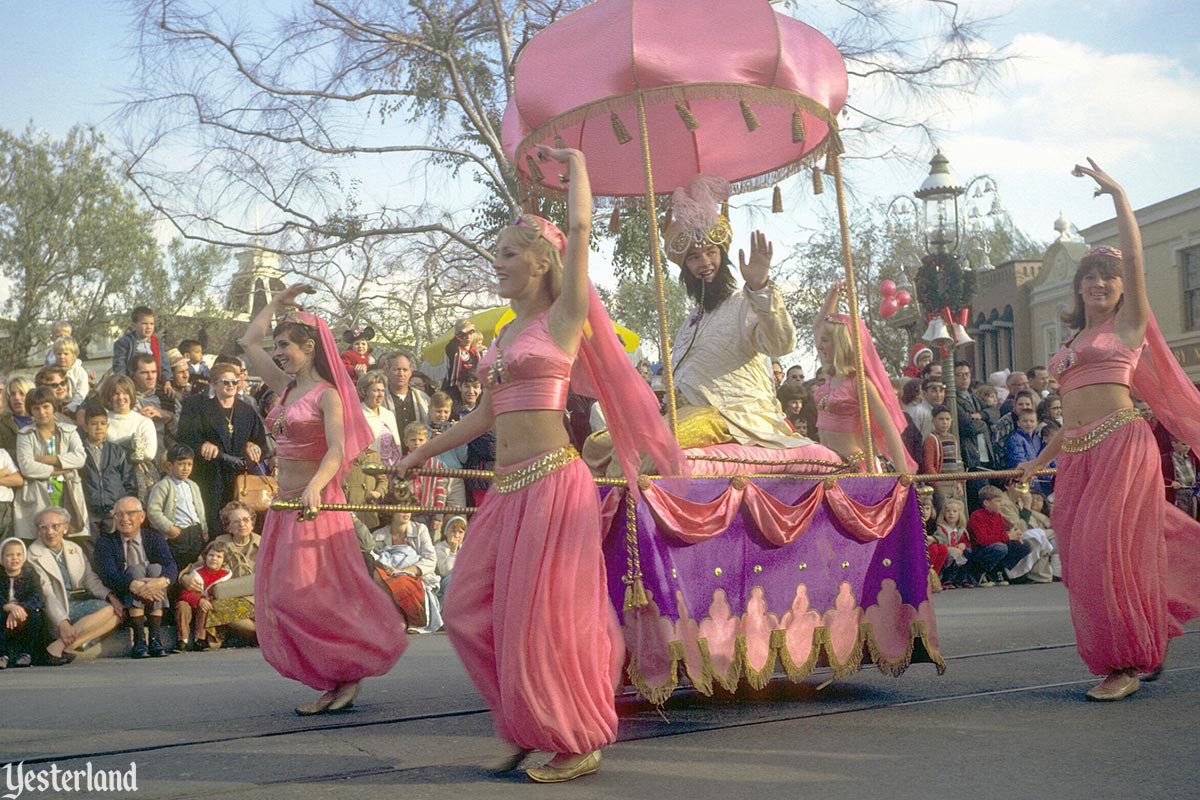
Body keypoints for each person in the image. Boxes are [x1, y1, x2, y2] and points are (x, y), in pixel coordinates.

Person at [397, 146, 683, 783]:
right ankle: (530, 721)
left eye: (506, 252)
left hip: (555, 483)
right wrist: (418, 453)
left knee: (545, 621)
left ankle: (574, 735)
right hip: (506, 489)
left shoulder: (562, 318)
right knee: (467, 606)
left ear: (542, 261)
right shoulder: (501, 335)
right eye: (495, 252)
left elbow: (581, 226)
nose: (495, 262)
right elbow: (482, 418)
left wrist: (580, 161)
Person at [1018, 159, 1200, 702]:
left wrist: (1120, 194)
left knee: (1108, 553)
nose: (1098, 283)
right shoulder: (1072, 343)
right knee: (1080, 560)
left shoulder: (1129, 324)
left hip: (1123, 445)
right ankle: (1145, 638)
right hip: (1076, 455)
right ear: (1078, 290)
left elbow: (1137, 257)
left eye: (1108, 277)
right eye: (1089, 278)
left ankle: (1126, 662)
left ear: (1123, 289)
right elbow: (1069, 410)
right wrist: (1039, 459)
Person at [238, 282, 406, 716]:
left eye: (285, 346)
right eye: (277, 346)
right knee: (280, 595)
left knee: (307, 594)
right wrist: (276, 304)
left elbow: (337, 449)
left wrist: (316, 485)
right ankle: (337, 677)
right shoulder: (285, 388)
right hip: (286, 504)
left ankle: (351, 668)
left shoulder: (328, 394)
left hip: (316, 504)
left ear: (310, 347)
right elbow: (247, 341)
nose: (277, 353)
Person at [662, 174, 813, 449]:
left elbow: (782, 343)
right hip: (690, 417)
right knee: (605, 443)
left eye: (711, 252)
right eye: (694, 257)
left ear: (724, 256)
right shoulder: (692, 319)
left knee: (659, 445)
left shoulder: (746, 302)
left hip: (737, 418)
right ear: (685, 269)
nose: (705, 263)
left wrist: (760, 287)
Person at [812, 283, 916, 472]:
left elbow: (889, 430)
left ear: (840, 343)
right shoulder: (829, 373)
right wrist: (832, 295)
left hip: (854, 469)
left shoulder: (860, 384)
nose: (819, 346)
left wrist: (903, 478)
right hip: (826, 467)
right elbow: (817, 327)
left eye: (825, 341)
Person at [176, 362, 268, 537]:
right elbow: (185, 437)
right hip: (209, 476)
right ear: (214, 383)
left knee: (240, 524)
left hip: (239, 479)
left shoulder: (246, 410)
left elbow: (261, 443)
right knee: (214, 524)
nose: (231, 386)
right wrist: (203, 444)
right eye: (226, 382)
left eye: (234, 382)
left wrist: (252, 444)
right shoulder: (197, 406)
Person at [27, 507, 123, 663]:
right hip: (55, 608)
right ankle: (60, 645)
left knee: (117, 614)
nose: (50, 532)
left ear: (65, 527)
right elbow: (47, 593)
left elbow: (90, 579)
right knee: (108, 610)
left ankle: (63, 648)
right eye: (43, 527)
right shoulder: (33, 554)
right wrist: (62, 623)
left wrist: (110, 596)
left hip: (77, 602)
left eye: (55, 526)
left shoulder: (74, 549)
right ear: (38, 531)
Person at [93, 496, 178, 658]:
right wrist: (133, 584)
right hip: (123, 592)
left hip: (153, 589)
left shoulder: (154, 537)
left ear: (142, 517)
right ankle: (139, 640)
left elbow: (170, 565)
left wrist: (160, 582)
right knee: (136, 570)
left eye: (131, 513)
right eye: (119, 514)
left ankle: (154, 639)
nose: (125, 519)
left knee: (156, 569)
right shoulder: (106, 542)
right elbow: (107, 574)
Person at [178, 501, 259, 649]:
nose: (242, 524)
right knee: (215, 606)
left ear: (252, 522)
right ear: (228, 526)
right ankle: (261, 635)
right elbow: (197, 566)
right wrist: (184, 578)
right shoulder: (220, 543)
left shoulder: (264, 543)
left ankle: (260, 636)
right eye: (236, 521)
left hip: (258, 598)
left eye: (246, 520)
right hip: (229, 600)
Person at [14, 387, 88, 541]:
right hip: (39, 494)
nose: (42, 412)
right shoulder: (25, 435)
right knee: (42, 537)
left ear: (53, 407)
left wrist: (50, 459)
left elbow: (80, 457)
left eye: (46, 407)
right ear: (31, 411)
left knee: (74, 540)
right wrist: (57, 470)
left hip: (68, 491)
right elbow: (27, 466)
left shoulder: (69, 431)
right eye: (36, 408)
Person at [146, 443, 208, 578]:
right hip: (178, 534)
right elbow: (153, 511)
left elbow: (200, 510)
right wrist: (169, 528)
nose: (186, 468)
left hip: (195, 532)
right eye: (181, 464)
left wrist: (204, 529)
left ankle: (191, 596)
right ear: (169, 466)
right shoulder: (163, 486)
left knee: (195, 565)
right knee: (177, 566)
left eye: (189, 464)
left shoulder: (193, 485)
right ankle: (176, 596)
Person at [78, 406, 138, 539]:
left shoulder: (117, 451)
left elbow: (129, 481)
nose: (98, 427)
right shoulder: (78, 451)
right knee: (93, 549)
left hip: (114, 512)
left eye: (102, 423)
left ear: (108, 426)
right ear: (86, 427)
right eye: (93, 424)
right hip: (90, 511)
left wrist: (122, 507)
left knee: (116, 545)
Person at [98, 374, 159, 502]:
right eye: (116, 394)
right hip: (110, 478)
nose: (121, 398)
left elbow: (149, 454)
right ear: (109, 397)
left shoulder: (143, 422)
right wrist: (131, 445)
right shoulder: (102, 422)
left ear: (131, 395)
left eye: (125, 393)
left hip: (139, 479)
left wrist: (118, 450)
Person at [175, 540, 231, 651]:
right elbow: (185, 593)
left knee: (205, 606)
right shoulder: (197, 573)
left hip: (209, 608)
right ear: (205, 557)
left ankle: (200, 639)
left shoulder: (226, 576)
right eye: (211, 555)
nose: (214, 558)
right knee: (182, 605)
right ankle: (183, 640)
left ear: (224, 562)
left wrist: (205, 601)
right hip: (191, 604)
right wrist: (199, 599)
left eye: (219, 556)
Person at [0, 537, 46, 668]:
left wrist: (20, 608)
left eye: (18, 554)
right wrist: (7, 607)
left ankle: (26, 654)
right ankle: (2, 654)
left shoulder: (30, 575)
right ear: (2, 558)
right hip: (4, 609)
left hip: (23, 611)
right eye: (9, 555)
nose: (15, 558)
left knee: (36, 616)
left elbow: (37, 596)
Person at [111, 306, 164, 379]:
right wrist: (123, 382)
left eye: (151, 324)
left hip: (153, 379)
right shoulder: (124, 343)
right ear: (134, 326)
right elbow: (120, 365)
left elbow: (164, 362)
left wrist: (167, 380)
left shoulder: (157, 342)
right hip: (133, 381)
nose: (149, 327)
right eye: (144, 323)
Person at [443, 318, 483, 395]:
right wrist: (463, 331)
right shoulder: (452, 349)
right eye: (465, 334)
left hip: (473, 391)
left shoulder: (476, 353)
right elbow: (451, 346)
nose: (468, 336)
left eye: (471, 333)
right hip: (454, 390)